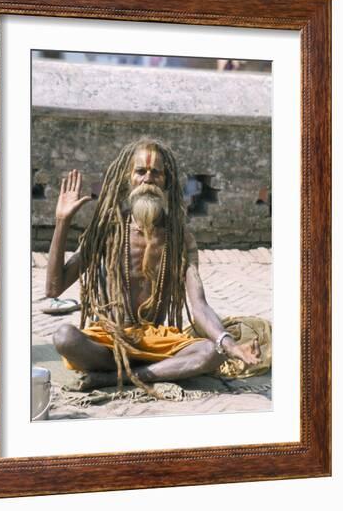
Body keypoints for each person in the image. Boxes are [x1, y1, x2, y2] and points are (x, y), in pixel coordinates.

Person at [46, 136, 264, 394]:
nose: (148, 178)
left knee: (212, 352)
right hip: (110, 339)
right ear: (129, 178)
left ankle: (114, 378)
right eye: (141, 171)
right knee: (65, 337)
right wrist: (62, 222)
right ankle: (143, 373)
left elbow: (200, 306)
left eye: (156, 173)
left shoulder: (180, 238)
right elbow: (53, 289)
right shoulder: (106, 231)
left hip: (158, 343)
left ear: (166, 181)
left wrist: (229, 344)